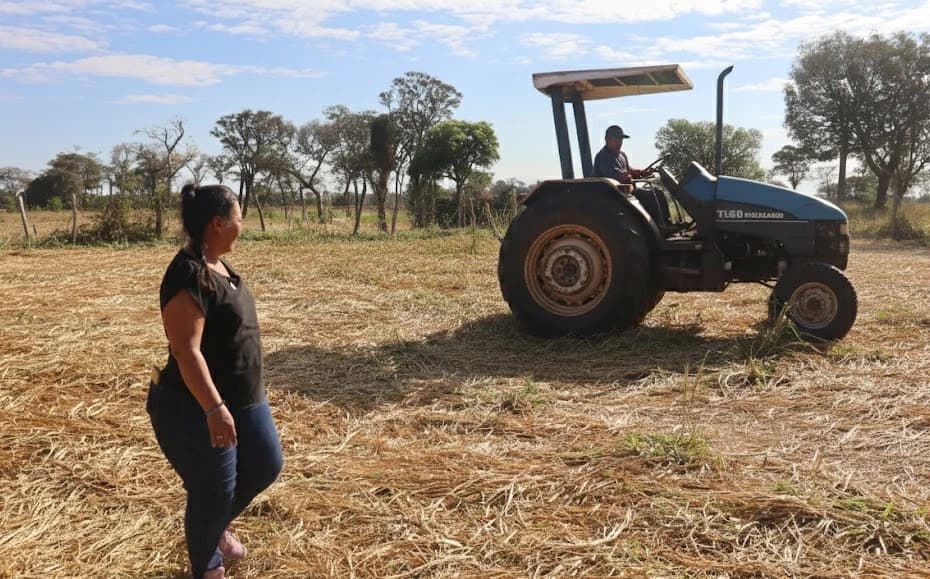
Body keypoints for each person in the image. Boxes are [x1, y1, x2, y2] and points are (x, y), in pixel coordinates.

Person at [147, 183, 283, 579]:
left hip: (246, 399)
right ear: (218, 223)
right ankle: (206, 564)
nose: (244, 226)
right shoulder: (187, 273)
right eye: (239, 218)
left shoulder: (220, 266)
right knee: (214, 490)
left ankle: (215, 525)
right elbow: (186, 351)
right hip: (198, 405)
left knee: (265, 465)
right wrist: (214, 407)